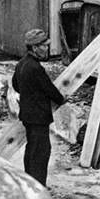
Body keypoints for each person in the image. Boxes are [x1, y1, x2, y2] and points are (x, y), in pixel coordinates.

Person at [11, 28, 64, 186]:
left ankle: (30, 182)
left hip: (28, 115)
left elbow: (15, 84)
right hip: (38, 117)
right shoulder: (35, 68)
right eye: (44, 46)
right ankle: (37, 187)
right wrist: (61, 100)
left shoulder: (22, 63)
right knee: (40, 153)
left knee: (32, 150)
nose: (47, 48)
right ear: (35, 48)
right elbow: (49, 89)